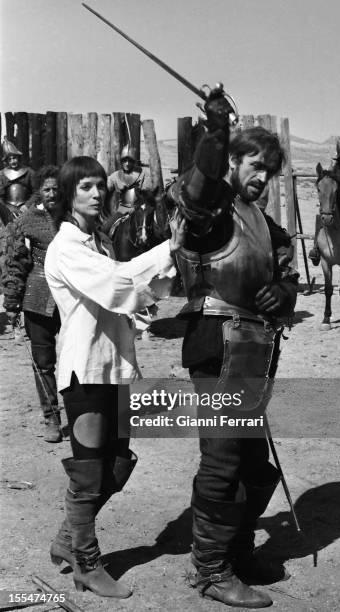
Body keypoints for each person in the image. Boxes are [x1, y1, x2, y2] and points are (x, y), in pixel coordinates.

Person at [166, 89, 298, 609]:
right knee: (222, 461)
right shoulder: (216, 211)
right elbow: (196, 194)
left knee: (255, 467)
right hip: (215, 345)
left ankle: (239, 552)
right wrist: (216, 133)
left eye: (270, 169)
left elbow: (287, 286)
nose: (261, 176)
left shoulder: (272, 228)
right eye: (254, 164)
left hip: (255, 352)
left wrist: (281, 294)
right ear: (235, 163)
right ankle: (210, 569)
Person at [44, 156, 185, 599]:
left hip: (115, 367)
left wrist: (141, 306)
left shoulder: (99, 244)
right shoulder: (66, 248)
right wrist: (168, 250)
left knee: (117, 466)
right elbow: (115, 285)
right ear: (68, 196)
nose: (97, 192)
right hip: (84, 370)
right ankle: (86, 563)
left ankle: (68, 538)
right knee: (89, 474)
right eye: (85, 186)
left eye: (99, 185)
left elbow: (123, 293)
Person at [2, 165, 62, 442]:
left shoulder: (74, 218)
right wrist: (12, 302)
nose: (52, 193)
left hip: (71, 298)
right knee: (44, 361)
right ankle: (51, 417)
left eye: (56, 188)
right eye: (47, 189)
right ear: (40, 190)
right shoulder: (26, 221)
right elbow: (15, 262)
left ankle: (84, 417)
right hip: (37, 295)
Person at [0, 137, 37, 224]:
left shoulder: (29, 172)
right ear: (6, 161)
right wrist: (6, 210)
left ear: (18, 157)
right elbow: (0, 197)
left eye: (14, 158)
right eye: (10, 159)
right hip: (7, 210)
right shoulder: (1, 175)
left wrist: (27, 206)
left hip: (27, 209)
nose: (13, 161)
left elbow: (37, 192)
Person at [107, 144, 150, 214]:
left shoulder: (143, 174)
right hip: (121, 211)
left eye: (130, 161)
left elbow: (147, 195)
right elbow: (105, 191)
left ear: (134, 162)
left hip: (139, 211)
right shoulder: (114, 176)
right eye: (124, 161)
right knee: (108, 225)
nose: (127, 163)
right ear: (121, 161)